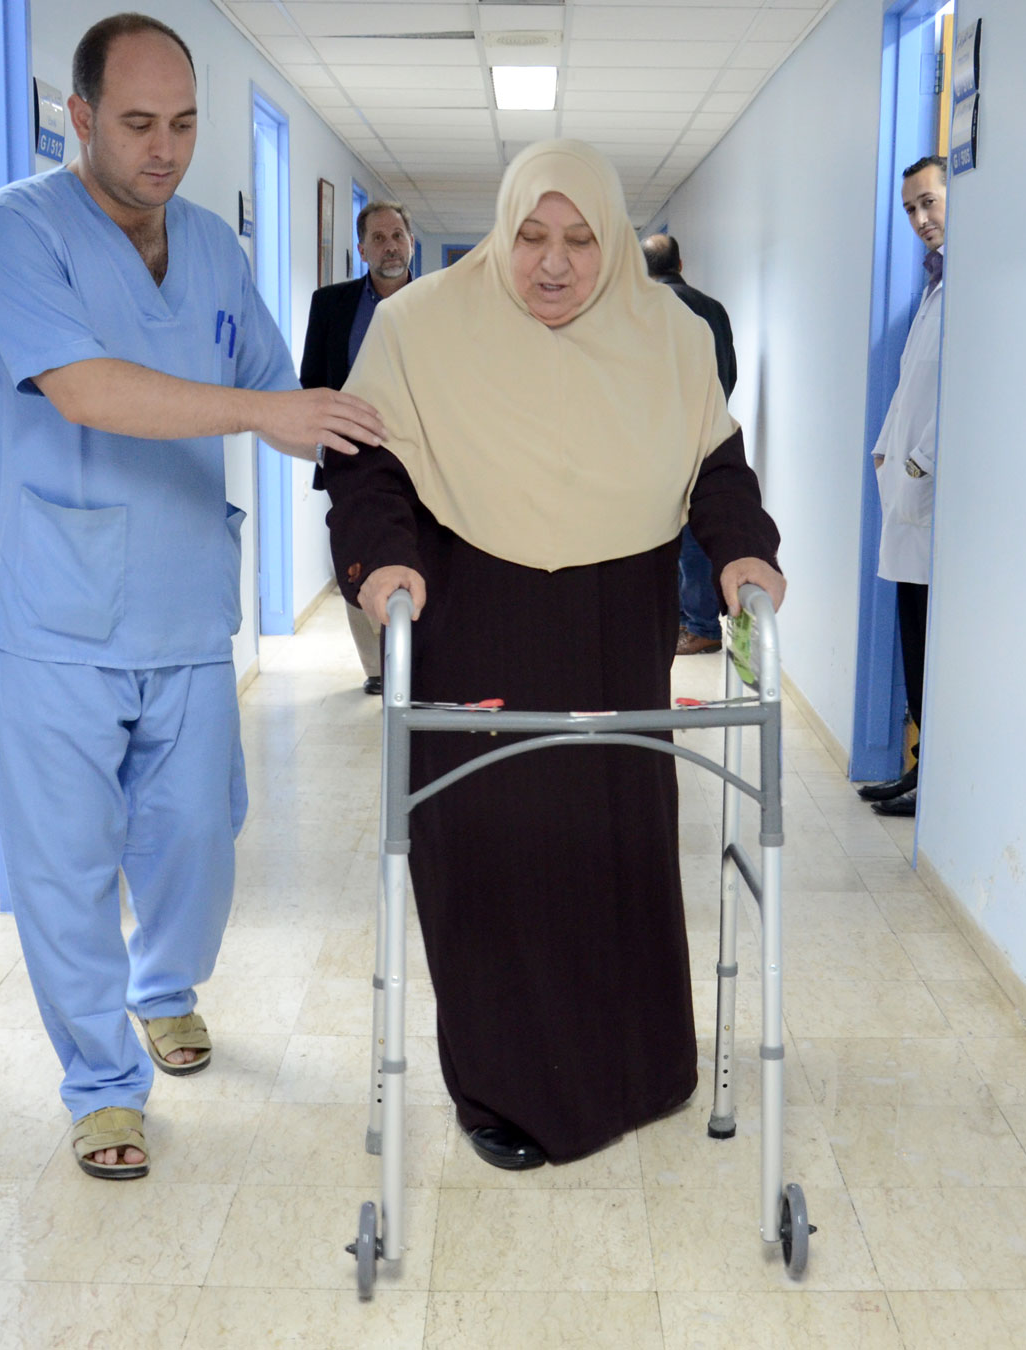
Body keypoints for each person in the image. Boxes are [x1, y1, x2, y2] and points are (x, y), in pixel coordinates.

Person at [0, 12, 382, 1179]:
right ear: (79, 117)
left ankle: (164, 983)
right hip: (52, 605)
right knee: (64, 860)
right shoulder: (12, 233)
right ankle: (101, 1084)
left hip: (185, 601)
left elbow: (279, 393)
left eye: (185, 123)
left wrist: (386, 442)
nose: (165, 149)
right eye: (137, 124)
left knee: (199, 832)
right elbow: (86, 389)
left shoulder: (209, 247)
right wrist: (264, 414)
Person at [325, 141, 786, 1170]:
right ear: (501, 231)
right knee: (490, 851)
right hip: (470, 615)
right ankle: (502, 1090)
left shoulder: (665, 336)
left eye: (581, 240)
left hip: (607, 628)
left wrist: (745, 551)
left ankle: (641, 1065)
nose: (553, 264)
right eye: (530, 235)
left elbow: (715, 464)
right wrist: (384, 565)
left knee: (608, 845)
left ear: (614, 242)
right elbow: (365, 471)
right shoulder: (416, 329)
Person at [856, 154, 946, 817]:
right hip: (910, 502)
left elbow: (951, 400)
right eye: (911, 208)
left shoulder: (967, 285)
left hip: (933, 504)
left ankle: (931, 778)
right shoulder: (934, 286)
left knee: (930, 645)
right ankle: (919, 769)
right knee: (912, 638)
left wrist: (913, 466)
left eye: (930, 202)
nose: (920, 218)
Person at [300, 199, 416, 695]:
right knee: (355, 552)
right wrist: (323, 449)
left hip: (419, 455)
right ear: (362, 248)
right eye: (379, 238)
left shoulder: (435, 299)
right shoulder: (331, 304)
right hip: (352, 456)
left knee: (413, 551)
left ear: (410, 242)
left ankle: (412, 656)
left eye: (398, 236)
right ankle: (376, 666)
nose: (390, 246)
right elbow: (313, 381)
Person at [642, 233, 739, 658]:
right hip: (709, 433)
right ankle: (693, 621)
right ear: (680, 265)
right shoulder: (713, 308)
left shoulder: (645, 308)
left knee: (674, 536)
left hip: (661, 439)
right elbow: (728, 371)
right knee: (699, 528)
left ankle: (698, 626)